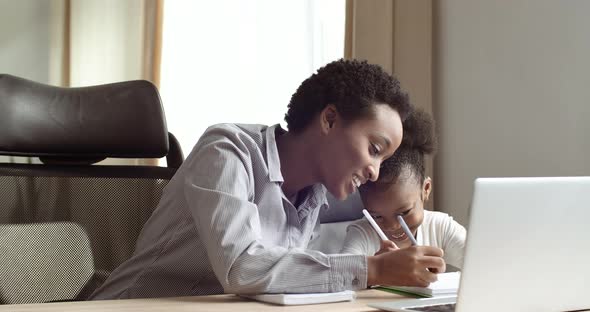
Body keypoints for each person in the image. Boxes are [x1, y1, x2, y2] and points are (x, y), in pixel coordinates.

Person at [90, 59, 445, 300]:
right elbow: (243, 268)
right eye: (374, 148)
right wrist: (370, 268)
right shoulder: (227, 152)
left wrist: (376, 271)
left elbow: (274, 281)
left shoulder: (314, 196)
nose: (374, 172)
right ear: (330, 119)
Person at [341, 109, 466, 271]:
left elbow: (484, 265)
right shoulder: (362, 233)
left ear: (426, 189)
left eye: (404, 212)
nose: (392, 226)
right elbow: (342, 274)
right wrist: (376, 269)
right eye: (376, 216)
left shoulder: (441, 227)